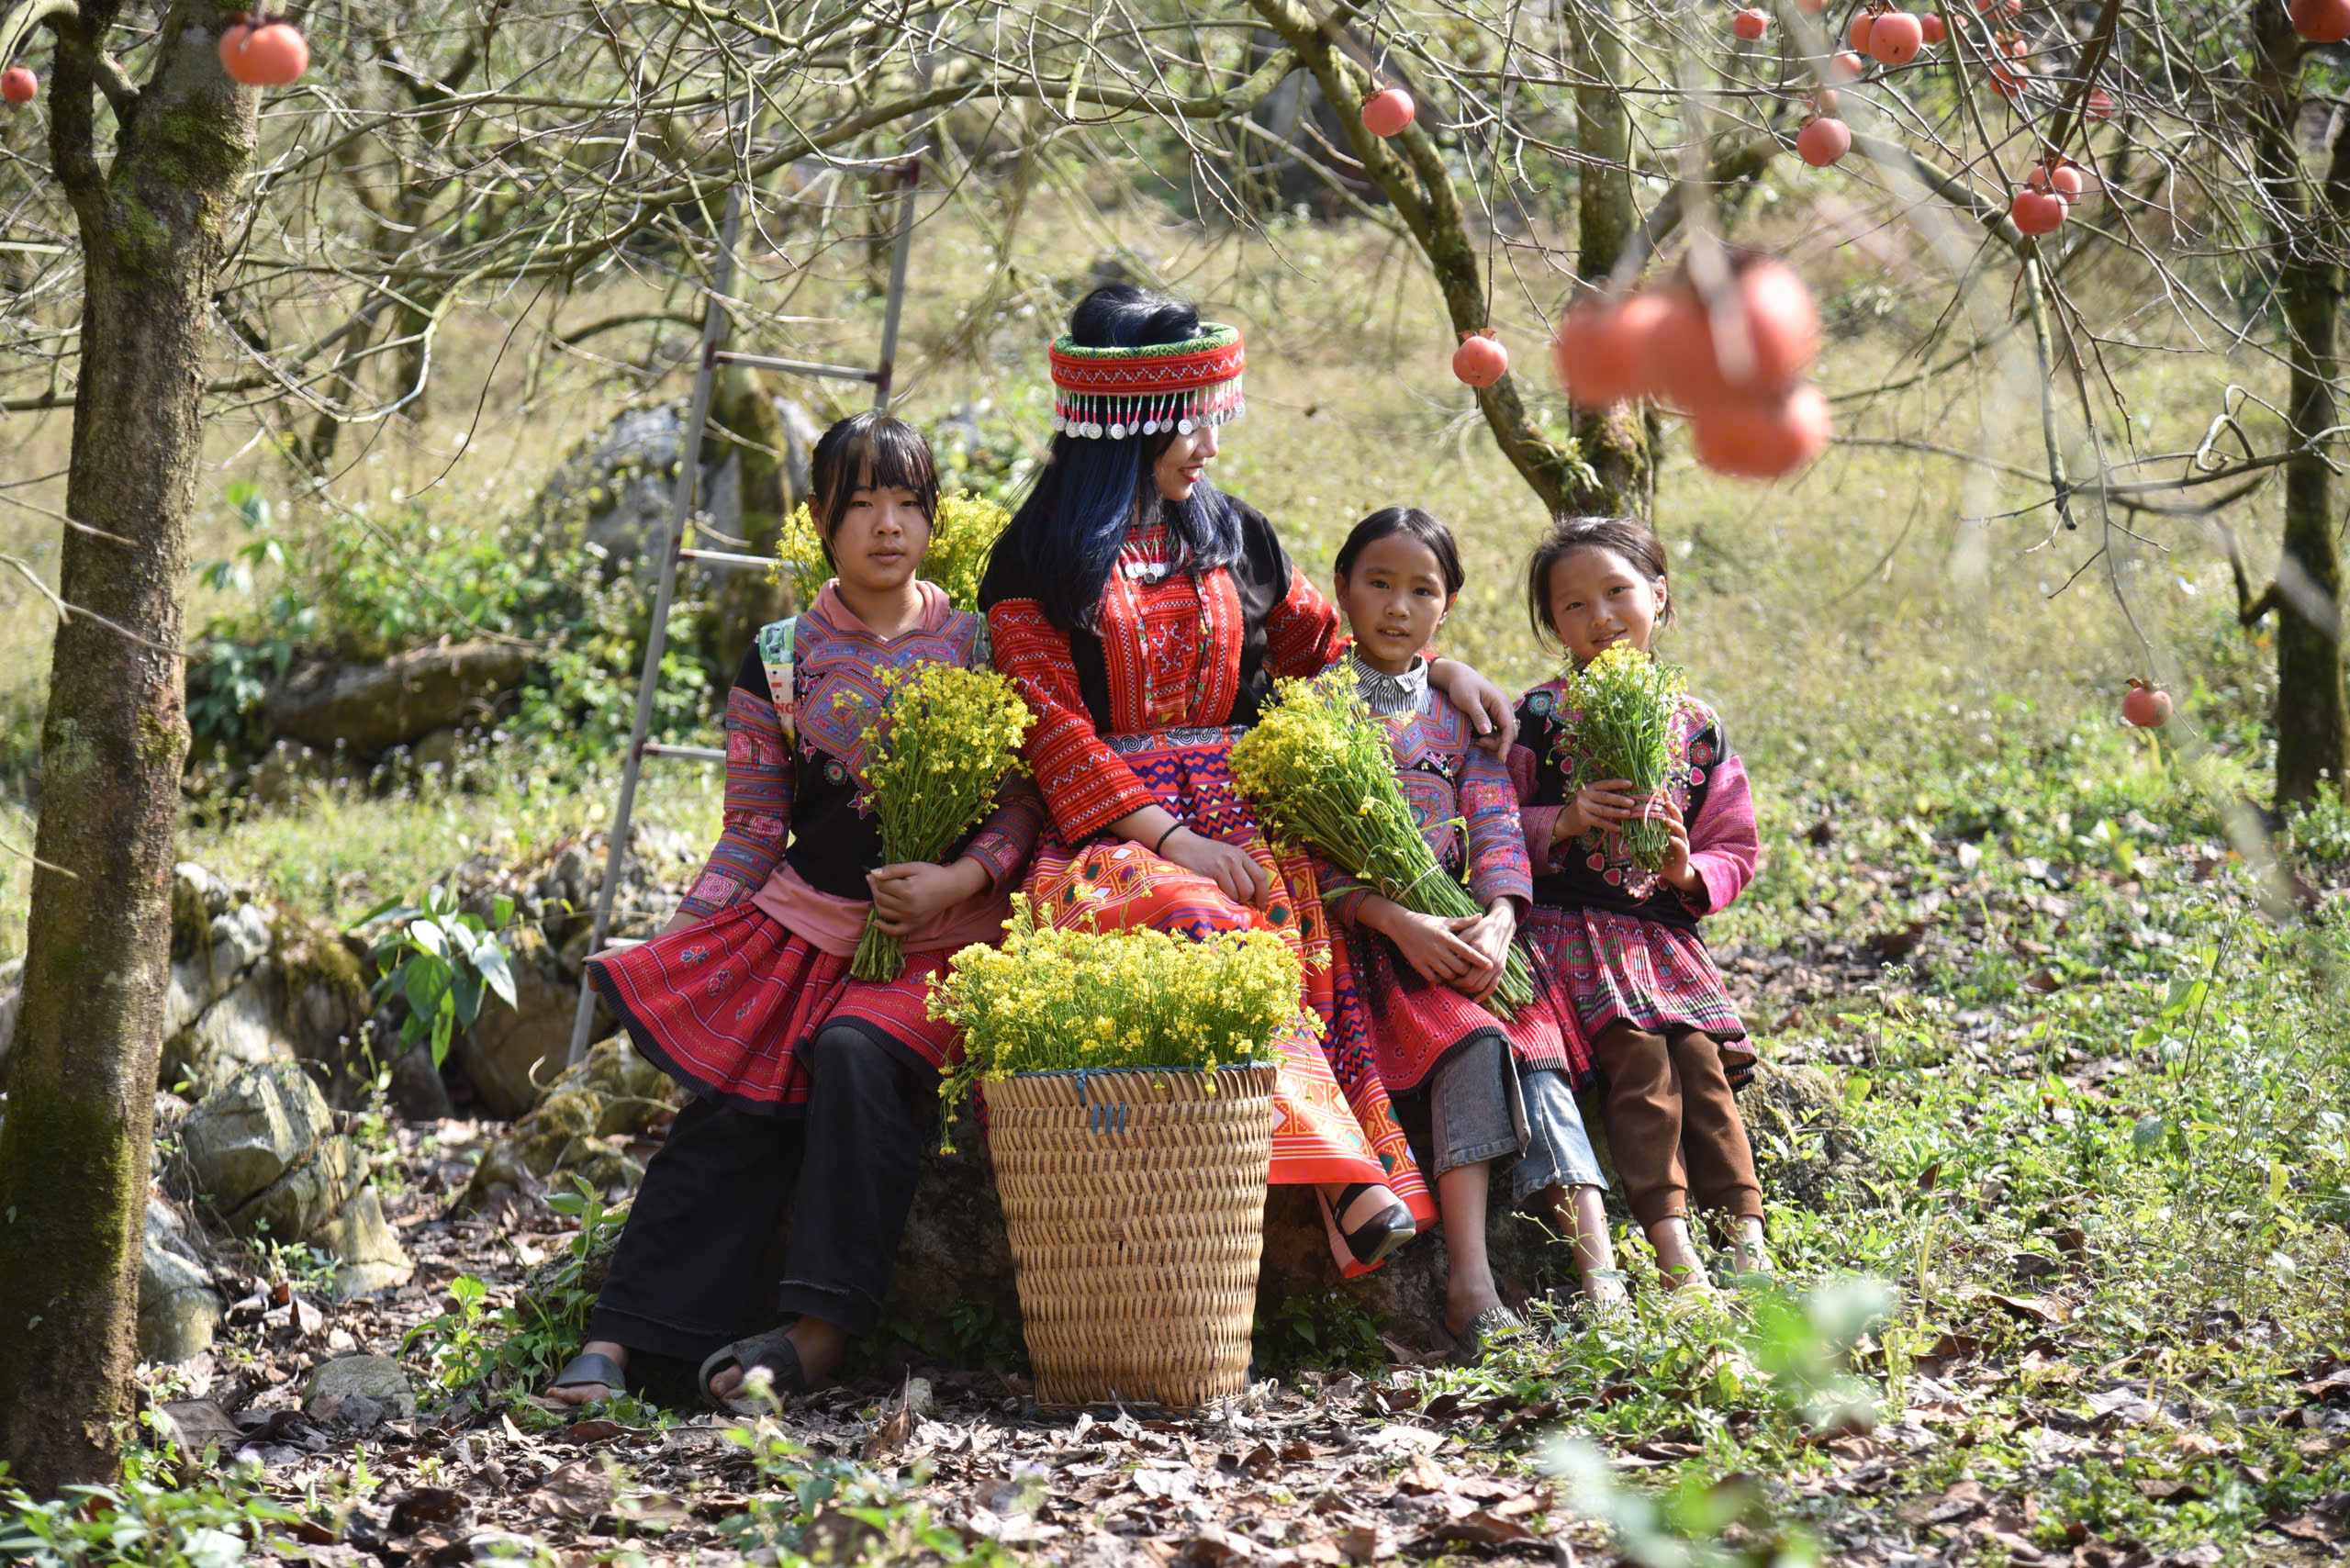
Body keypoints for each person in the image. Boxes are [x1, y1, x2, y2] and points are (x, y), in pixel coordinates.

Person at [979, 284, 1519, 1273]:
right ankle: (1346, 1174)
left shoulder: (1236, 535)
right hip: (1118, 838)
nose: (1209, 449)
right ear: (1125, 418)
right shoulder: (1034, 561)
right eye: (1191, 424)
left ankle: (1349, 1176)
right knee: (1200, 920)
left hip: (1258, 820)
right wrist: (1178, 843)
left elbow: (1330, 654)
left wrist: (1437, 668)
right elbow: (1053, 731)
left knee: (1285, 919)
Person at [546, 413, 1042, 1407]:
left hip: (952, 943)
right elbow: (751, 829)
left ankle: (818, 1335)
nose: (886, 525)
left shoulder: (986, 646)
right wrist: (683, 944)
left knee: (854, 1057)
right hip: (807, 929)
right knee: (734, 1104)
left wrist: (958, 880)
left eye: (907, 502)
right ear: (818, 520)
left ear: (934, 520)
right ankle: (623, 1343)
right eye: (859, 504)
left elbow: (1027, 800)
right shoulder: (776, 658)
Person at [1319, 508, 1626, 1349]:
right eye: (1378, 584)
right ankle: (1472, 1283)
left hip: (1473, 932)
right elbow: (1307, 854)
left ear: (1446, 606)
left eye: (1422, 590)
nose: (1397, 607)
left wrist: (1498, 917)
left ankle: (1600, 1272)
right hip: (1384, 951)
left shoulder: (1464, 717)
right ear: (1342, 587)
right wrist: (1395, 920)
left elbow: (1492, 822)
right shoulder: (1315, 713)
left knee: (1541, 1053)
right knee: (1473, 1042)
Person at [1508, 515, 1767, 1294]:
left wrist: (1689, 870)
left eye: (1618, 592)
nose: (1602, 617)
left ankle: (1746, 1234)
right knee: (1637, 1058)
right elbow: (1491, 825)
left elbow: (1737, 845)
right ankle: (1671, 1241)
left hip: (1661, 936)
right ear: (1552, 622)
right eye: (1574, 605)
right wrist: (1565, 821)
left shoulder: (1696, 726)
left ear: (1659, 595)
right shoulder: (1538, 718)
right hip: (1572, 929)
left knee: (1701, 1061)